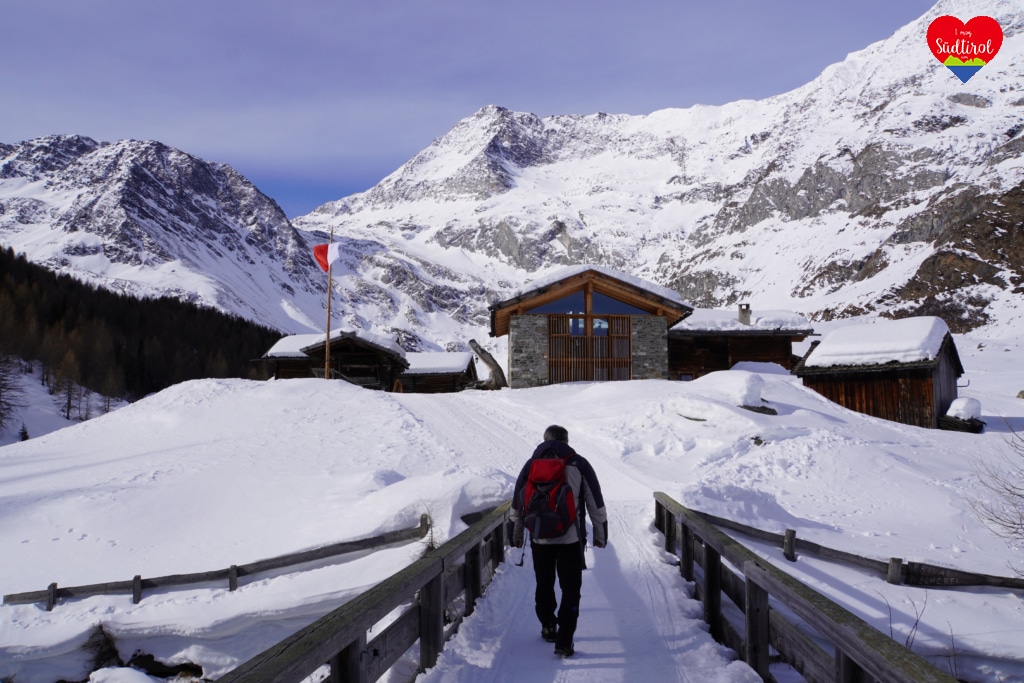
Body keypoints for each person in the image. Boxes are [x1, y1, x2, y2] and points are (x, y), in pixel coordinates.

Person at [511, 425, 607, 658]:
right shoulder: (579, 464)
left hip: (540, 537)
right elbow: (595, 502)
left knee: (544, 584)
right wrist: (600, 534)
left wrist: (516, 533)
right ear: (566, 441)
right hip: (570, 539)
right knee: (570, 589)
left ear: (544, 440)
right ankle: (564, 640)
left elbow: (518, 502)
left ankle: (548, 625)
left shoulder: (531, 464)